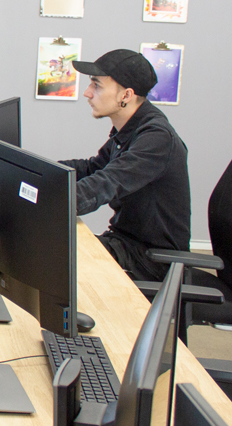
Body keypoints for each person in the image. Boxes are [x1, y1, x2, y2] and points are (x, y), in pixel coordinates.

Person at [59, 49, 190, 281]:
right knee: (54, 247)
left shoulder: (156, 138)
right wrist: (38, 172)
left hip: (151, 262)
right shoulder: (131, 129)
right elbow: (93, 169)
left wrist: (49, 201)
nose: (87, 93)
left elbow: (107, 183)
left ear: (126, 95)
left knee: (53, 255)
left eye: (97, 85)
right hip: (125, 244)